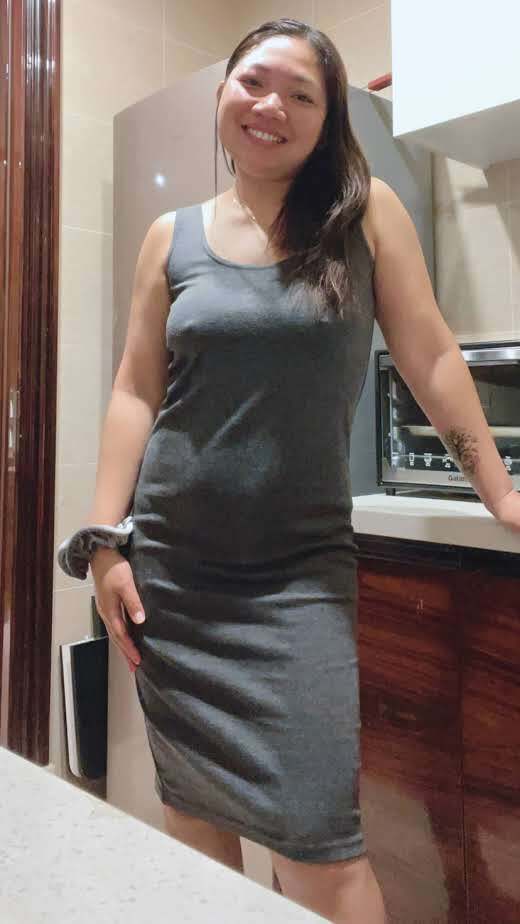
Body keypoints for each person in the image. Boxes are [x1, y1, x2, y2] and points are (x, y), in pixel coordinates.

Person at [81, 15, 519, 924]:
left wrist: (502, 492)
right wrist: (104, 542)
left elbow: (433, 358)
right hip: (174, 579)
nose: (270, 105)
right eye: (253, 82)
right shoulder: (170, 237)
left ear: (328, 121)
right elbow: (134, 390)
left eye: (301, 94)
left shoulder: (365, 216)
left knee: (323, 855)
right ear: (223, 93)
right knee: (194, 831)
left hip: (296, 583)